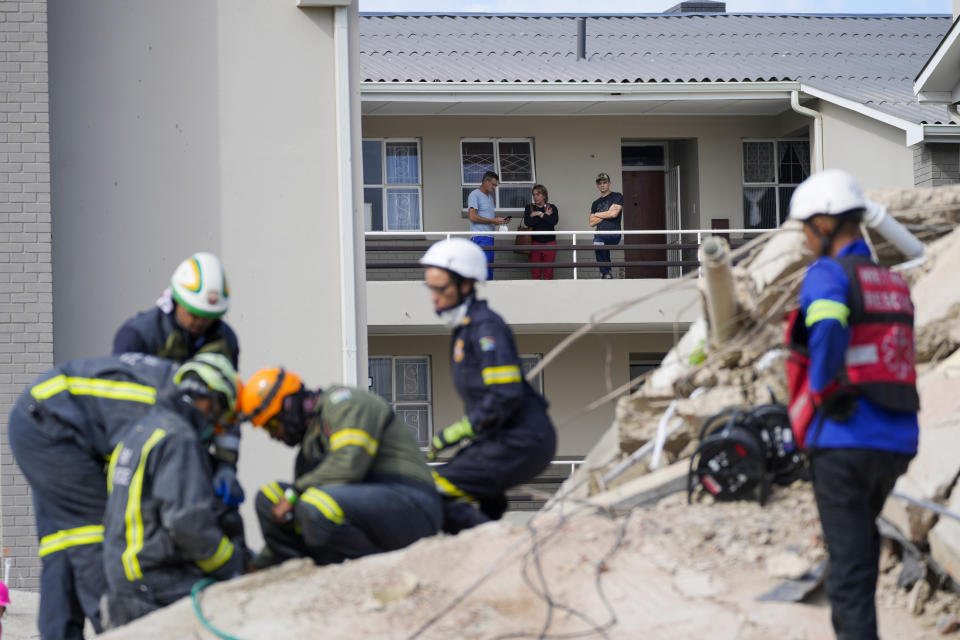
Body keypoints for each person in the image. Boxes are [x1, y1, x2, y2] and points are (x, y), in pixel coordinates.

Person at [787, 168, 918, 640]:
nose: (803, 240)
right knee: (860, 548)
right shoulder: (890, 281)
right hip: (897, 442)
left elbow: (825, 328)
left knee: (849, 576)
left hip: (845, 439)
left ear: (823, 224)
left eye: (804, 228)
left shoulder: (826, 273)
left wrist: (822, 391)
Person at [6, 352, 215, 639]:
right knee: (94, 536)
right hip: (54, 428)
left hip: (38, 421)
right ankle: (119, 628)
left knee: (61, 544)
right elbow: (139, 477)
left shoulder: (160, 385)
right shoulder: (159, 413)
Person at [239, 368, 442, 569]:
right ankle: (296, 570)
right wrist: (258, 565)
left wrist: (295, 492)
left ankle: (374, 571)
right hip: (370, 508)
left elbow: (350, 464)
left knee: (317, 504)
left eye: (272, 425)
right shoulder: (309, 449)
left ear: (288, 406)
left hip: (411, 502)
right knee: (269, 498)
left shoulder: (345, 403)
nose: (273, 436)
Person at [419, 238, 557, 533]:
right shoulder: (465, 329)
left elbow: (506, 394)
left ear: (466, 284)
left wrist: (456, 432)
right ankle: (488, 537)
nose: (434, 297)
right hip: (498, 438)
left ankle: (496, 546)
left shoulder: (485, 329)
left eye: (440, 288)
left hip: (522, 439)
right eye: (430, 288)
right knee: (479, 498)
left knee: (433, 493)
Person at [101, 354, 245, 627]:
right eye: (221, 410)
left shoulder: (143, 428)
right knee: (235, 603)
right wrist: (231, 563)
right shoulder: (180, 439)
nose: (218, 424)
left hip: (122, 574)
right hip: (151, 578)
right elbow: (186, 522)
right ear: (209, 400)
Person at [113, 251, 244, 511]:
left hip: (197, 449)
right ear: (175, 300)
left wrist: (226, 466)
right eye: (194, 314)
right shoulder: (137, 336)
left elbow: (228, 408)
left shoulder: (225, 341)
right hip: (145, 450)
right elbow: (121, 408)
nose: (201, 323)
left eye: (209, 317)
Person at [467, 171, 510, 281]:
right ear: (486, 181)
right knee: (482, 271)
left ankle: (488, 295)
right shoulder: (474, 194)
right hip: (480, 237)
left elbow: (489, 219)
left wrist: (499, 221)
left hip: (490, 237)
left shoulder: (490, 197)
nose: (495, 187)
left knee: (489, 271)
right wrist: (492, 220)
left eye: (496, 185)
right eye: (493, 184)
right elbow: (472, 217)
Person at [588, 172, 623, 279]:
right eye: (600, 183)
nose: (602, 185)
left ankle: (605, 272)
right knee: (599, 242)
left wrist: (597, 214)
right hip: (600, 234)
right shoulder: (595, 203)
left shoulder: (617, 196)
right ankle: (607, 273)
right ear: (597, 185)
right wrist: (607, 213)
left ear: (609, 183)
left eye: (605, 182)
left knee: (598, 240)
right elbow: (591, 222)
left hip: (614, 233)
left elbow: (614, 214)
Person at [522, 184, 559, 280]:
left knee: (548, 273)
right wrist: (544, 215)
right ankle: (536, 294)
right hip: (534, 243)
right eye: (534, 195)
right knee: (535, 273)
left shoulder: (552, 207)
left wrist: (538, 214)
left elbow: (553, 222)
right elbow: (528, 223)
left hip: (550, 243)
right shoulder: (529, 207)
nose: (535, 197)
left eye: (538, 194)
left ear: (544, 195)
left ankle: (549, 294)